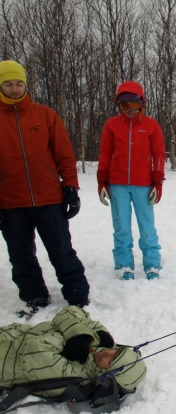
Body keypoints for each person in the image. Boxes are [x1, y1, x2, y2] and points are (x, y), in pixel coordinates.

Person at [0, 60, 90, 315]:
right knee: (20, 255)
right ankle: (35, 296)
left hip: (49, 197)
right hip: (10, 202)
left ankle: (77, 296)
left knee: (61, 249)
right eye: (8, 84)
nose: (15, 89)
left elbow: (64, 155)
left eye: (19, 83)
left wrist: (70, 188)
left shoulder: (45, 115)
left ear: (25, 85)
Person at [97, 81, 166, 281]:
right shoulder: (111, 125)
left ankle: (152, 262)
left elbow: (159, 153)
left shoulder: (151, 125)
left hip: (143, 184)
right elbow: (105, 153)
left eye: (134, 105)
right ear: (119, 105)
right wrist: (102, 181)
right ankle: (123, 263)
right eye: (124, 105)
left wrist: (157, 181)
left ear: (141, 104)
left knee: (147, 225)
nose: (129, 110)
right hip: (117, 183)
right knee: (121, 226)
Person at [0, 306, 147, 399]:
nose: (107, 354)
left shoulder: (75, 377)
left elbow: (35, 348)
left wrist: (73, 335)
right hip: (9, 335)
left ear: (106, 377)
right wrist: (79, 335)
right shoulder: (100, 344)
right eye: (115, 353)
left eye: (109, 362)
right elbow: (71, 311)